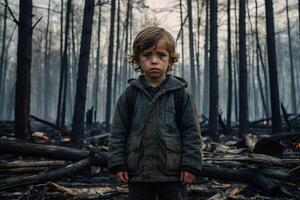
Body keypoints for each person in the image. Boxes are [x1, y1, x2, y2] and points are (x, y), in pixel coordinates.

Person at [108, 27, 202, 200]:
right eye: (147, 55)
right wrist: (118, 164)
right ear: (137, 59)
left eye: (161, 55)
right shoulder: (130, 95)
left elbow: (192, 133)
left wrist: (190, 165)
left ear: (170, 60)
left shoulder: (180, 95)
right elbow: (118, 133)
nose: (154, 61)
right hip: (138, 173)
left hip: (172, 173)